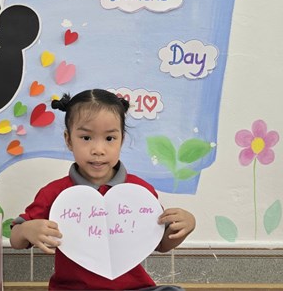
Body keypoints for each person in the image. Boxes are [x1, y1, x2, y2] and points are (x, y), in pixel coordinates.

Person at [10, 89, 196, 290]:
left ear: (122, 140)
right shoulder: (55, 192)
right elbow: (16, 239)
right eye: (86, 138)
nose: (98, 150)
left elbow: (160, 244)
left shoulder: (139, 191)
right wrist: (26, 230)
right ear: (68, 140)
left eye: (109, 139)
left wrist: (185, 226)